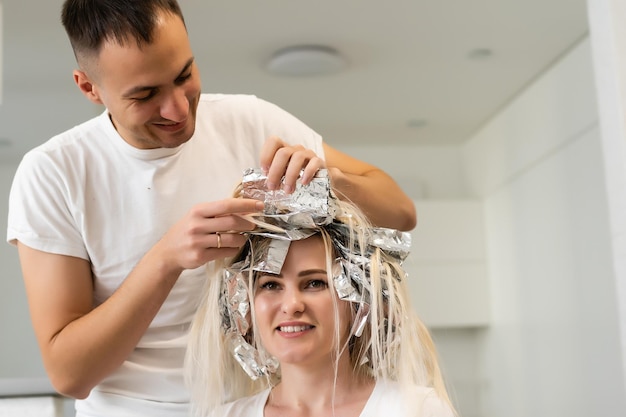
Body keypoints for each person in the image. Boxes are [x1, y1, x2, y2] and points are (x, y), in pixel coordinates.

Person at [6, 1, 416, 416]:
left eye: (184, 75)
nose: (178, 110)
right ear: (88, 87)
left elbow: (399, 212)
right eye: (145, 95)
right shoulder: (53, 174)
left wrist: (331, 180)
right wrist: (166, 259)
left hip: (259, 406)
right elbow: (69, 375)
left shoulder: (249, 121)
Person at [185, 169, 456, 417]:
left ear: (358, 300)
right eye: (270, 285)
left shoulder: (415, 409)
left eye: (315, 283)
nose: (291, 305)